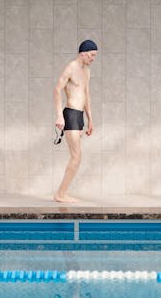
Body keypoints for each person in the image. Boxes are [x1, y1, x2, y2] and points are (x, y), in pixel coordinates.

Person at [53, 40, 97, 203]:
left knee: (76, 157)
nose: (93, 58)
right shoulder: (71, 68)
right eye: (92, 55)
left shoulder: (87, 71)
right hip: (70, 113)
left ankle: (62, 193)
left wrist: (90, 120)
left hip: (79, 116)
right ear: (83, 53)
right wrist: (59, 115)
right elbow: (57, 90)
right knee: (76, 156)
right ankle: (60, 194)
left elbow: (86, 95)